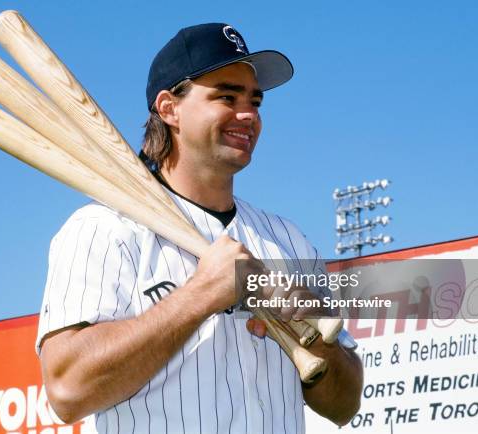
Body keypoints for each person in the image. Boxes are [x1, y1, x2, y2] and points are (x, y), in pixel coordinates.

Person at [36, 23, 363, 434]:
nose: (248, 115)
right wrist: (200, 295)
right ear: (169, 108)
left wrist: (316, 340)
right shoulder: (103, 228)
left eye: (255, 102)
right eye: (226, 96)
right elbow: (67, 391)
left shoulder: (288, 240)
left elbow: (345, 406)